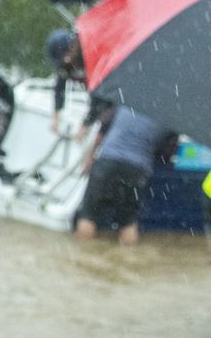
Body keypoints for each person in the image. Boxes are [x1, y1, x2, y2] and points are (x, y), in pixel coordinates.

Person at [73, 105, 176, 244]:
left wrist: (89, 157)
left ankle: (82, 253)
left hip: (107, 162)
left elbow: (101, 132)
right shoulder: (169, 118)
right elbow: (166, 155)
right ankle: (129, 255)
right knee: (128, 221)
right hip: (137, 169)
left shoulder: (125, 104)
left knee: (88, 215)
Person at [45, 28, 113, 142]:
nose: (66, 61)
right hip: (98, 95)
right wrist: (56, 113)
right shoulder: (66, 64)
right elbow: (59, 87)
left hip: (110, 96)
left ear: (72, 47)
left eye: (66, 57)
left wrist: (85, 125)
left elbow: (99, 95)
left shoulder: (91, 54)